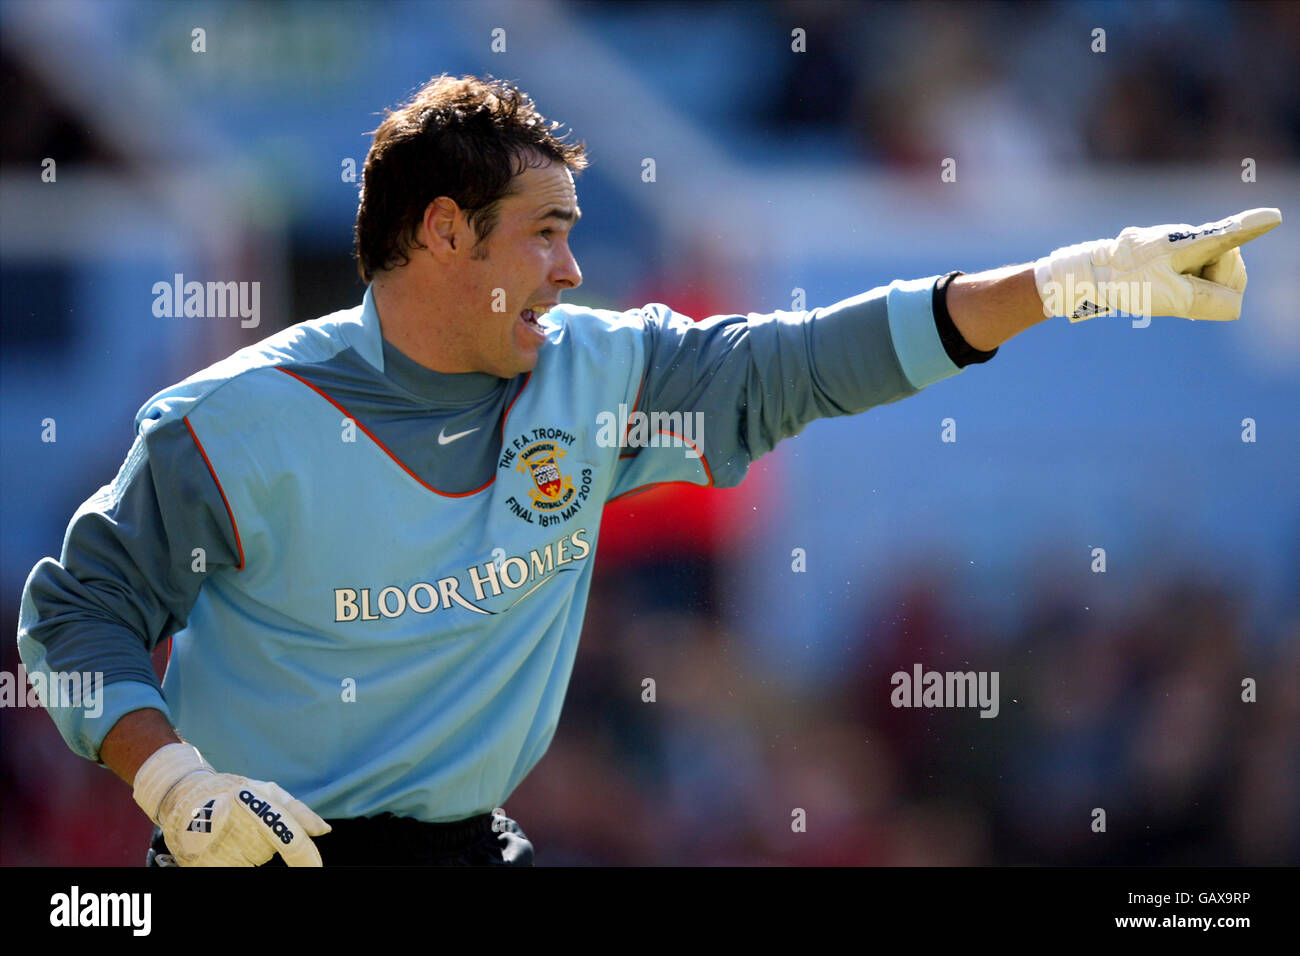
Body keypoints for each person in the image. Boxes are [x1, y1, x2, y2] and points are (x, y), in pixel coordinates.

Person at [15, 73, 1280, 867]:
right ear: (445, 233)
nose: (573, 269)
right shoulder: (229, 421)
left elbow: (812, 361)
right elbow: (71, 614)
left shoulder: (603, 377)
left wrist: (1067, 282)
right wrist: (174, 782)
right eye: (547, 233)